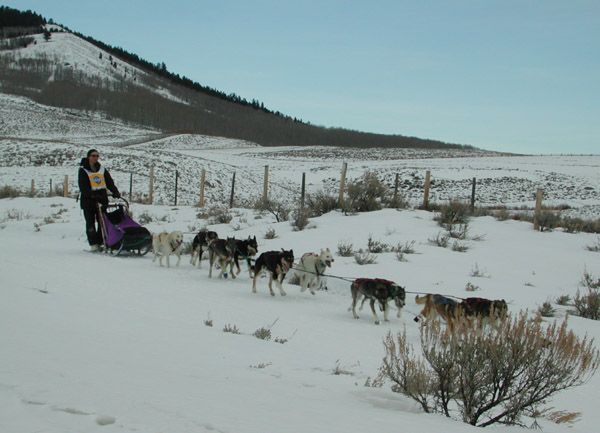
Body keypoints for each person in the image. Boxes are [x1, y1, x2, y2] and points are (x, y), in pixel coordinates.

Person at [78, 149, 121, 251]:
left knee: (102, 221)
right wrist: (92, 195)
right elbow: (83, 187)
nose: (95, 158)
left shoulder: (101, 169)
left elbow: (109, 182)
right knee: (90, 222)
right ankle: (93, 244)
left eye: (97, 156)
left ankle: (101, 241)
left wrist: (115, 191)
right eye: (93, 156)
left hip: (101, 199)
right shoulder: (83, 170)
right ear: (88, 157)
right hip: (88, 201)